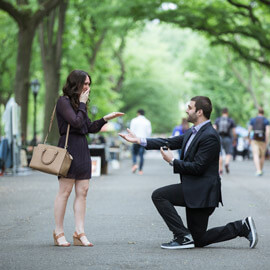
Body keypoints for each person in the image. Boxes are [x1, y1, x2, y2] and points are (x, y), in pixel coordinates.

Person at [119, 96, 258, 250]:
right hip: (194, 189)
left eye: (190, 107)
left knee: (159, 195)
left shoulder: (210, 136)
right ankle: (241, 227)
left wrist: (173, 161)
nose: (186, 110)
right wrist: (139, 140)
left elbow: (198, 167)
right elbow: (169, 142)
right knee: (198, 239)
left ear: (199, 112)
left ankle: (182, 236)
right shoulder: (194, 131)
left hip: (202, 191)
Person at [54, 70, 124, 247]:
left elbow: (88, 127)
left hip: (82, 149)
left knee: (83, 191)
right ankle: (58, 232)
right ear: (75, 84)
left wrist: (105, 119)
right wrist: (83, 104)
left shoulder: (79, 103)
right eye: (85, 83)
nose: (88, 87)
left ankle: (79, 232)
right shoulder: (63, 101)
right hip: (68, 147)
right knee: (65, 191)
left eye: (89, 84)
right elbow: (76, 123)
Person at [214, 108, 236, 175]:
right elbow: (234, 131)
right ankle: (226, 163)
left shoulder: (218, 120)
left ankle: (220, 170)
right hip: (228, 138)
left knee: (219, 153)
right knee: (228, 152)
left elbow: (214, 128)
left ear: (222, 113)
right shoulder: (230, 120)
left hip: (219, 137)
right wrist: (234, 139)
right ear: (227, 113)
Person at [248, 107, 270, 176]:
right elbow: (267, 131)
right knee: (262, 155)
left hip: (255, 139)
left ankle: (258, 170)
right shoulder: (266, 120)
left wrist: (249, 138)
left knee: (256, 155)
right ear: (263, 113)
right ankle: (261, 169)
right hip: (262, 139)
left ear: (258, 113)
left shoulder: (253, 120)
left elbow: (249, 130)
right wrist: (266, 140)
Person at [130, 109, 152, 175]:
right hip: (143, 140)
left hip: (136, 139)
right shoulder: (147, 122)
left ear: (138, 113)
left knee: (134, 153)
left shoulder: (134, 120)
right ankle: (140, 170)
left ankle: (135, 164)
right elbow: (149, 132)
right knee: (141, 155)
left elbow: (131, 130)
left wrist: (132, 138)